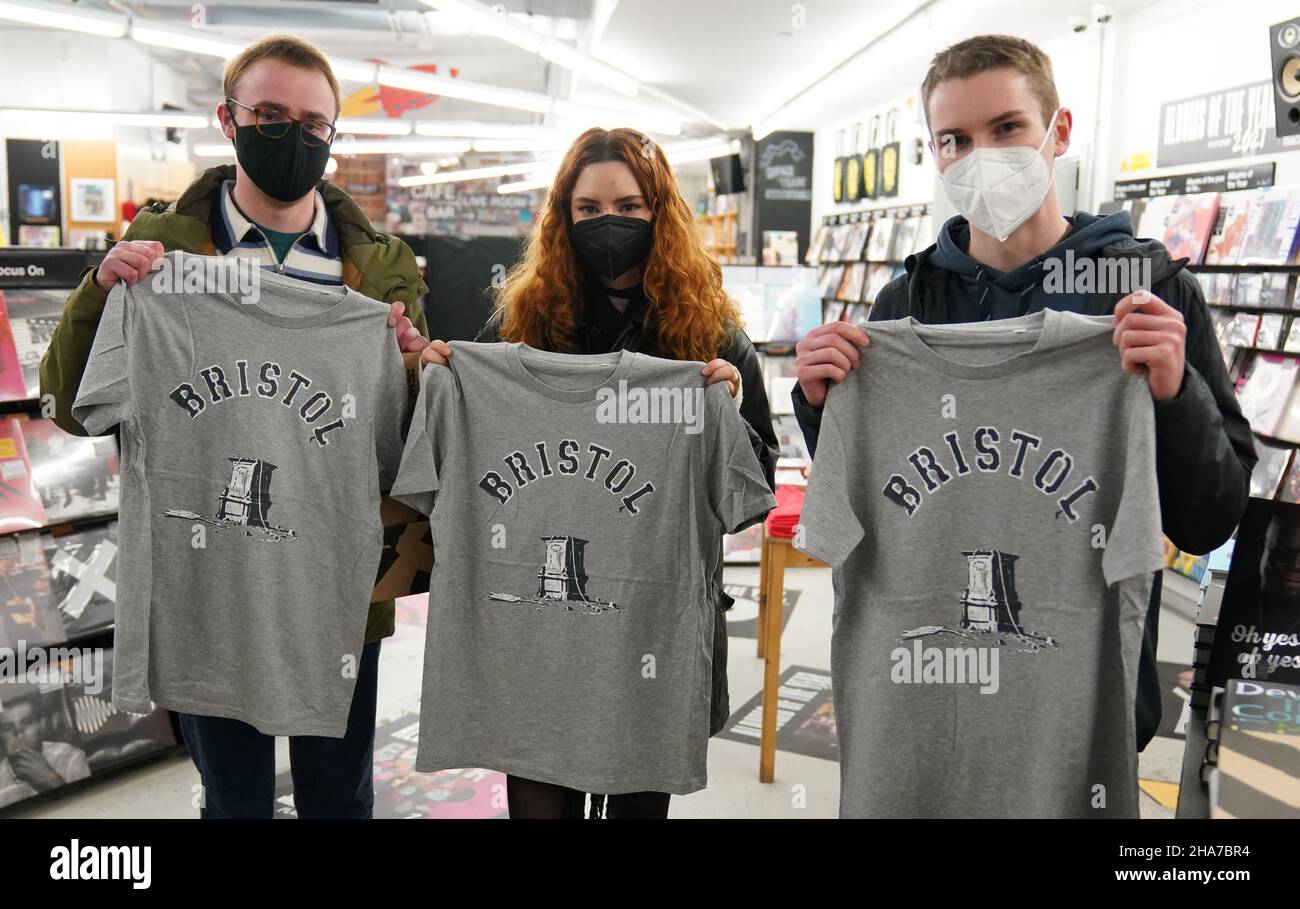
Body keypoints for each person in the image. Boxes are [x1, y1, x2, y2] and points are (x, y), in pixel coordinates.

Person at [792, 34, 1256, 751]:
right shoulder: (902, 306)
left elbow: (1209, 521)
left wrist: (1176, 395)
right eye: (955, 139)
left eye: (1006, 128)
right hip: (927, 689)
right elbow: (871, 502)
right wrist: (821, 406)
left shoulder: (1149, 293)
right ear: (935, 153)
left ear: (1058, 131)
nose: (981, 156)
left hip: (1083, 701)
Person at [39, 34, 431, 818]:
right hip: (207, 580)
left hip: (339, 587)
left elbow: (408, 441)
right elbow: (73, 404)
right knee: (235, 801)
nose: (294, 135)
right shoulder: (165, 251)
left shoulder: (382, 266)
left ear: (333, 137)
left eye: (315, 123)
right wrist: (100, 291)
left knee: (339, 797)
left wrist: (415, 363)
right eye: (271, 114)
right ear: (229, 119)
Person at [421, 126, 779, 818]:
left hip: (650, 627)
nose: (607, 222)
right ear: (563, 217)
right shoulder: (521, 330)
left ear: (660, 212)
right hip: (538, 631)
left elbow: (749, 498)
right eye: (587, 209)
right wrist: (446, 388)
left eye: (629, 206)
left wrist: (726, 419)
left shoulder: (714, 341)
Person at [0, 694, 91, 808]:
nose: (19, 734)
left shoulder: (71, 758)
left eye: (27, 722)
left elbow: (90, 809)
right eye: (8, 728)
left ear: (40, 725)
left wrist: (53, 782)